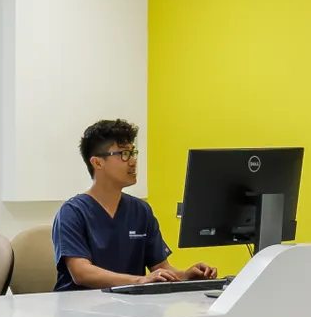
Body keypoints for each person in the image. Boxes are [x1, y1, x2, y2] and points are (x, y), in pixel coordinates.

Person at [53, 119, 217, 290]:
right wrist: (140, 280)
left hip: (129, 303)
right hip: (81, 304)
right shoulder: (72, 212)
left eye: (133, 153)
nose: (133, 161)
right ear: (97, 163)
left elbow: (161, 268)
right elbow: (81, 273)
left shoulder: (141, 210)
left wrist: (186, 275)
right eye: (124, 154)